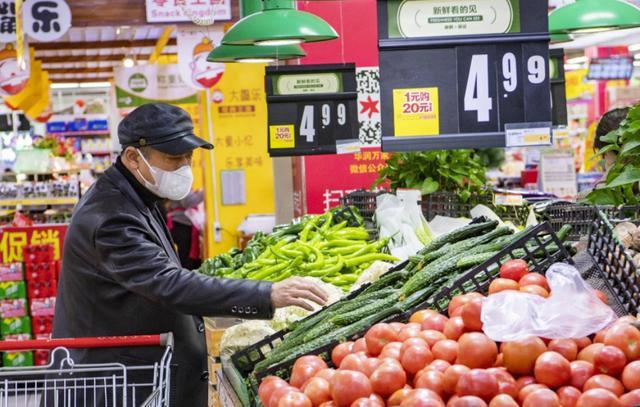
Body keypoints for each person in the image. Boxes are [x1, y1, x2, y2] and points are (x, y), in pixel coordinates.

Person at [52, 103, 327, 406]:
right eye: (174, 158)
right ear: (133, 158)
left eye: (188, 156)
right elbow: (168, 283)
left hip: (141, 375)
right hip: (119, 385)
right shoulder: (110, 218)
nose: (185, 166)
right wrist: (267, 294)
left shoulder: (137, 195)